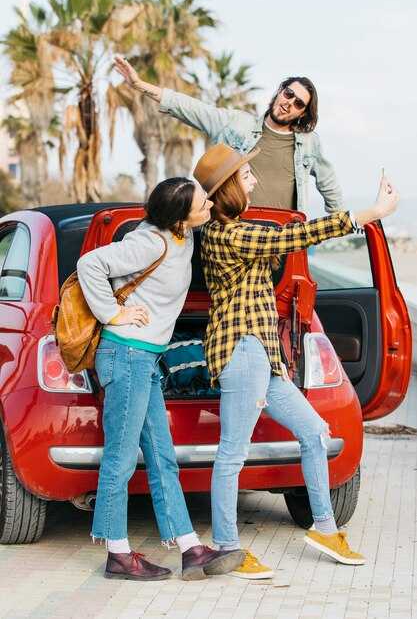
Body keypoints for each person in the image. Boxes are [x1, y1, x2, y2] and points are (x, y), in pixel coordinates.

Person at [191, 143, 399, 579]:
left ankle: (325, 528)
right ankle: (227, 547)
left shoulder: (234, 229)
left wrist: (277, 358)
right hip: (242, 350)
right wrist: (370, 213)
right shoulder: (229, 235)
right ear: (228, 187)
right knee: (232, 453)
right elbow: (293, 237)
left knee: (315, 432)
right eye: (245, 175)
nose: (253, 178)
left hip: (262, 354)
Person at [77, 177, 245, 581]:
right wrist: (112, 313)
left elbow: (222, 193)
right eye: (202, 203)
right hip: (126, 355)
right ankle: (117, 553)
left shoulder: (183, 235)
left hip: (146, 360)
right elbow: (90, 264)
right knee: (120, 458)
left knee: (162, 456)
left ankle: (190, 548)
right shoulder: (150, 242)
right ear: (179, 216)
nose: (209, 205)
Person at [114, 55, 341, 213]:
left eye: (298, 103)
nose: (289, 102)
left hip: (284, 238)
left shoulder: (309, 143)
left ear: (303, 113)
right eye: (288, 94)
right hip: (235, 233)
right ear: (280, 92)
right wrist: (139, 84)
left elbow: (329, 183)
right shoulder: (237, 123)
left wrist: (341, 224)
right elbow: (190, 108)